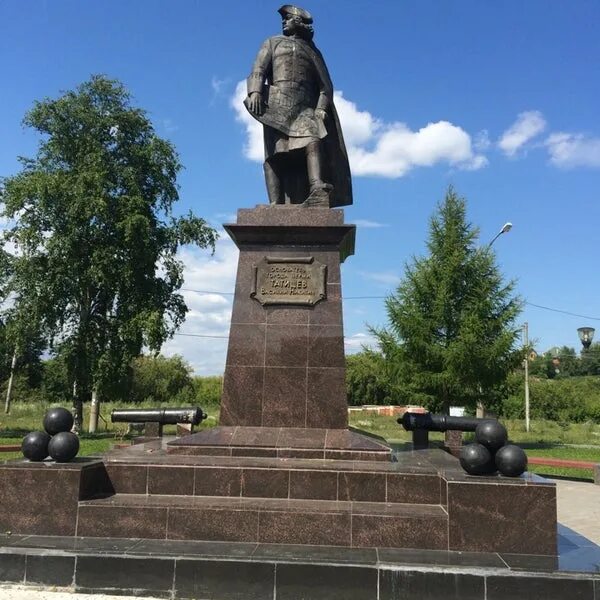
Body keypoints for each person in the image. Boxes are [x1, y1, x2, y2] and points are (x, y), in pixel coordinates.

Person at [244, 5, 352, 207]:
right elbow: (258, 69)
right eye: (283, 19)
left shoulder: (313, 52)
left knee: (313, 139)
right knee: (275, 154)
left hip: (304, 106)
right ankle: (275, 204)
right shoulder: (272, 43)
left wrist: (320, 109)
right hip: (276, 105)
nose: (284, 22)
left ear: (300, 23)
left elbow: (326, 86)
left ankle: (317, 186)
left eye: (288, 18)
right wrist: (255, 92)